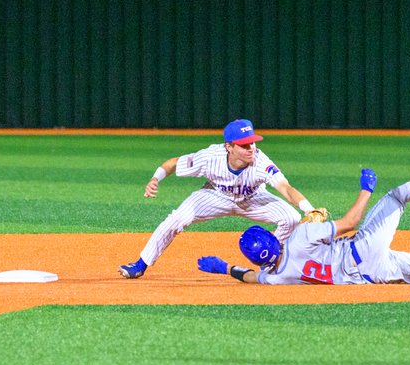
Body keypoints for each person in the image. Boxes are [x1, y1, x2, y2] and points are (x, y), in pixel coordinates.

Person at [195, 140, 410, 285]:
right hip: (363, 247)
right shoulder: (299, 236)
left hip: (369, 275)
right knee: (397, 197)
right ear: (270, 237)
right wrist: (366, 188)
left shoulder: (275, 277)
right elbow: (351, 222)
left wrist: (225, 268)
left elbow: (250, 277)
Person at [119, 119, 321, 279]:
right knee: (176, 219)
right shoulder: (210, 157)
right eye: (243, 145)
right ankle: (140, 264)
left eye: (252, 142)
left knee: (292, 218)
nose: (251, 148)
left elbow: (285, 188)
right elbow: (173, 163)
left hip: (253, 198)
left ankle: (273, 263)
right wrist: (155, 178)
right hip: (215, 195)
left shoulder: (260, 161)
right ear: (229, 147)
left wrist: (308, 208)